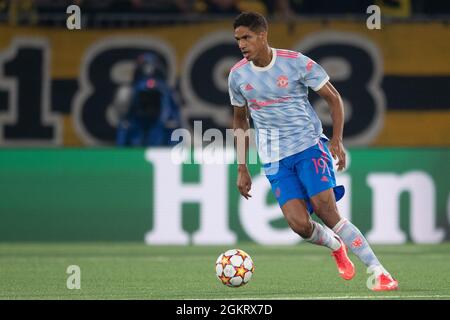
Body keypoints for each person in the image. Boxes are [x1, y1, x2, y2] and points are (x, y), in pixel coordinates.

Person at [228, 12, 398, 291]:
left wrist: (337, 140)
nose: (242, 44)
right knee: (299, 225)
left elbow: (334, 98)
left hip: (308, 146)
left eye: (246, 37)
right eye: (237, 39)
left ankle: (380, 272)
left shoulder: (295, 63)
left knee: (326, 210)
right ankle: (335, 245)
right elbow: (239, 120)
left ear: (262, 35)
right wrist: (242, 167)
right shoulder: (237, 76)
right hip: (273, 158)